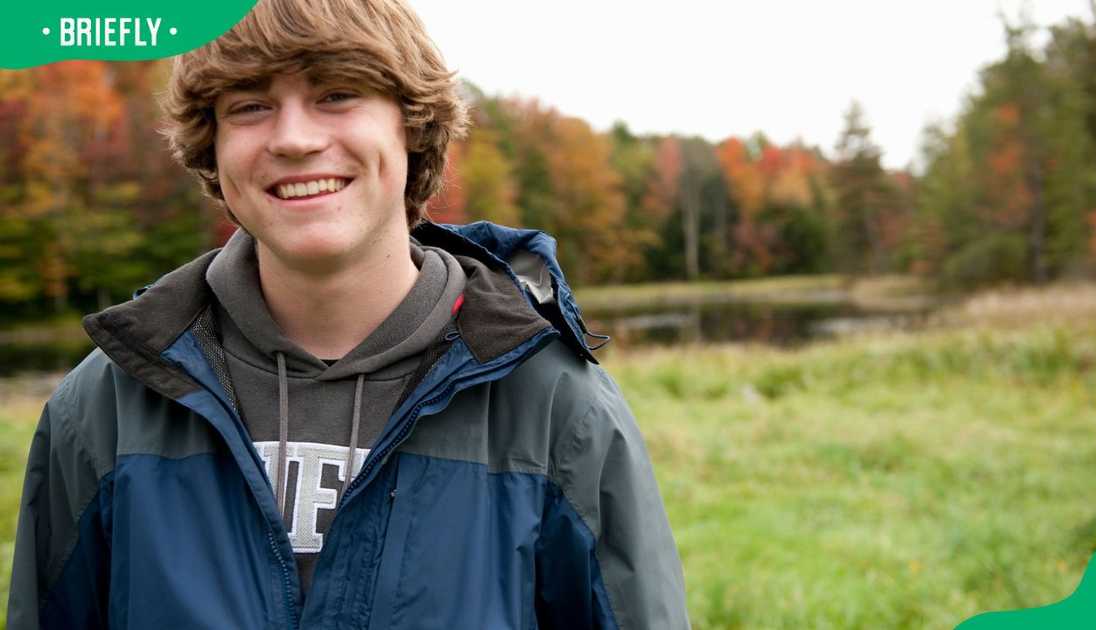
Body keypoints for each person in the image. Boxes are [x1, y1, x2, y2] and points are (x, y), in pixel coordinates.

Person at [7, 0, 690, 628]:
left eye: (337, 94)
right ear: (210, 145)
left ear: (413, 127)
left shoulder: (555, 407)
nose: (295, 139)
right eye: (249, 106)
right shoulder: (104, 406)